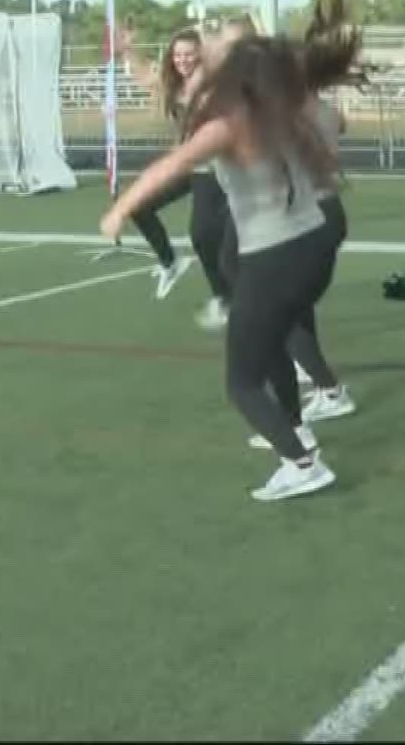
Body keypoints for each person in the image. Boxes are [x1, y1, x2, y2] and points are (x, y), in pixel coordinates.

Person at [101, 30, 339, 502]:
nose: (203, 50)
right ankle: (297, 425)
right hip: (313, 244)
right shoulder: (277, 106)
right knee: (272, 344)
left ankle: (301, 462)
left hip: (276, 254)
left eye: (214, 49)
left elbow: (169, 168)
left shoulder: (229, 122)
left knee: (242, 382)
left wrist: (119, 209)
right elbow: (333, 119)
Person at [286, 0, 371, 422]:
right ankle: (315, 376)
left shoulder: (294, 111)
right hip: (324, 215)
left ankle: (330, 390)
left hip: (311, 219)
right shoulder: (321, 108)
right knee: (295, 307)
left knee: (280, 312)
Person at [114, 25, 205, 302]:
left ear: (201, 55)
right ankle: (169, 262)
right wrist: (127, 50)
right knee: (139, 207)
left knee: (210, 236)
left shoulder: (213, 84)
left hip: (218, 170)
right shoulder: (175, 85)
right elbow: (147, 78)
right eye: (177, 56)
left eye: (189, 55)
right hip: (188, 167)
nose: (182, 61)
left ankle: (230, 295)